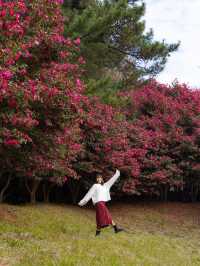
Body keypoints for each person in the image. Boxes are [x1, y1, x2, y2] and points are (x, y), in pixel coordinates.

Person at [78, 169, 124, 236]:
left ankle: (98, 233)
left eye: (100, 178)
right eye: (97, 178)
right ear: (96, 180)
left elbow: (112, 180)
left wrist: (117, 174)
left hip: (102, 203)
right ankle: (116, 228)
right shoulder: (95, 186)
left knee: (99, 218)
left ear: (102, 179)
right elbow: (89, 194)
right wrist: (82, 202)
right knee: (107, 215)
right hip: (99, 203)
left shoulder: (105, 186)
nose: (99, 179)